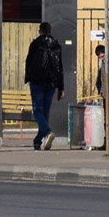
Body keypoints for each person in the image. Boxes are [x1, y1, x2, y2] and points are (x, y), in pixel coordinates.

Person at [24, 21, 64, 150]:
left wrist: (29, 78)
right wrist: (61, 87)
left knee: (37, 110)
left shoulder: (35, 44)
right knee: (45, 111)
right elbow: (60, 67)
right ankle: (38, 141)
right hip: (52, 82)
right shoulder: (56, 46)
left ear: (39, 31)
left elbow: (28, 62)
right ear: (50, 31)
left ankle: (46, 132)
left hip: (37, 81)